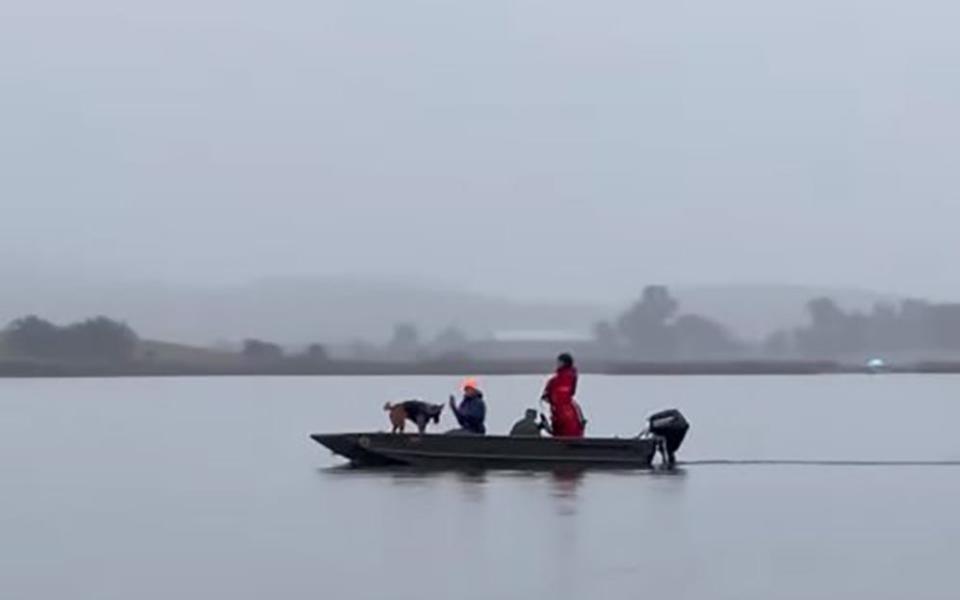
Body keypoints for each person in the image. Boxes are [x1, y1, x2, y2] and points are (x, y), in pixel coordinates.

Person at [542, 353, 586, 437]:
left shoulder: (560, 379)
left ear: (564, 363)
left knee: (565, 430)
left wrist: (549, 396)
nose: (557, 364)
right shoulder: (566, 378)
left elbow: (559, 395)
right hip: (561, 413)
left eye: (559, 362)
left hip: (563, 415)